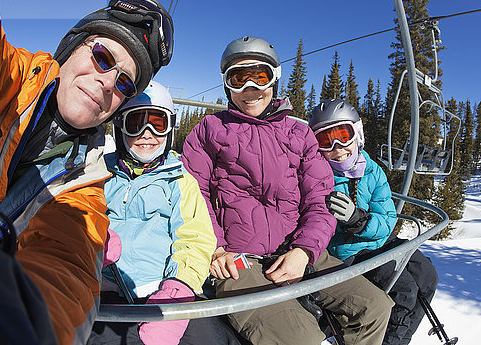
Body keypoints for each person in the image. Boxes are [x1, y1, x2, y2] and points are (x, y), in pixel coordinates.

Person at [0, 0, 174, 343]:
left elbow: (68, 265)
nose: (108, 82)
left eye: (125, 83)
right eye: (104, 57)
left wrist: (19, 322)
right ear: (72, 49)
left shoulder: (85, 182)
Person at [181, 36, 393, 345]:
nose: (250, 89)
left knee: (373, 307)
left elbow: (319, 198)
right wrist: (216, 247)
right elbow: (193, 192)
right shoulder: (209, 131)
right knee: (301, 337)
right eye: (239, 79)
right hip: (239, 258)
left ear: (274, 79)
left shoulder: (299, 134)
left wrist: (304, 250)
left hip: (296, 248)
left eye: (260, 76)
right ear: (227, 85)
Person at [89, 82, 240, 345]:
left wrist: (178, 286)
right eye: (136, 123)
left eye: (157, 123)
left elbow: (195, 239)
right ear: (120, 127)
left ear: (169, 128)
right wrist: (89, 239)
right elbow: (78, 214)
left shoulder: (180, 181)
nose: (147, 133)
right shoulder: (100, 174)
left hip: (166, 287)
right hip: (107, 287)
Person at [308, 99, 439, 345]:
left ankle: (400, 338)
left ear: (357, 134)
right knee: (404, 291)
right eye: (326, 141)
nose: (337, 148)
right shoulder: (318, 176)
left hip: (378, 240)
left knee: (426, 275)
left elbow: (387, 218)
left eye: (342, 135)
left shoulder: (372, 170)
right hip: (348, 252)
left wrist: (358, 220)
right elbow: (317, 226)